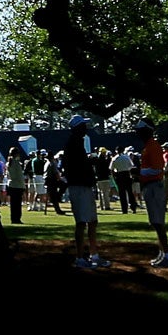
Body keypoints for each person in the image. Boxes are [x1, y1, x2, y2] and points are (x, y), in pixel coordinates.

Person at [63, 115, 108, 268]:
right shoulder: (73, 144)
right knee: (82, 222)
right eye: (83, 126)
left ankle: (93, 255)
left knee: (91, 221)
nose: (86, 128)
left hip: (83, 185)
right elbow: (76, 166)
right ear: (77, 128)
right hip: (79, 186)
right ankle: (81, 257)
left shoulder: (76, 143)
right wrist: (90, 162)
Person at [136, 122, 168, 267]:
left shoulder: (153, 146)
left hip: (154, 186)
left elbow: (157, 169)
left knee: (158, 222)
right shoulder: (149, 146)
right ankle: (162, 253)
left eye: (140, 131)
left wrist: (140, 172)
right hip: (150, 186)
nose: (138, 134)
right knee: (155, 222)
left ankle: (167, 255)